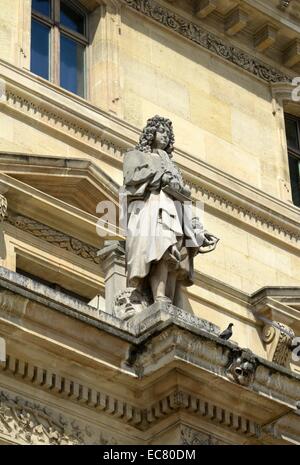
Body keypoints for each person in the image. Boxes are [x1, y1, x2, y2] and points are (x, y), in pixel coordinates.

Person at [122, 115, 218, 305]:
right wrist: (160, 176)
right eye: (162, 131)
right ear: (151, 133)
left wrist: (198, 230)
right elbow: (131, 177)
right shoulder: (137, 155)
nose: (165, 136)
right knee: (161, 246)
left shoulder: (174, 167)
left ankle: (167, 298)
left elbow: (185, 202)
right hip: (152, 208)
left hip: (175, 211)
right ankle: (158, 295)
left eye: (168, 134)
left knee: (177, 253)